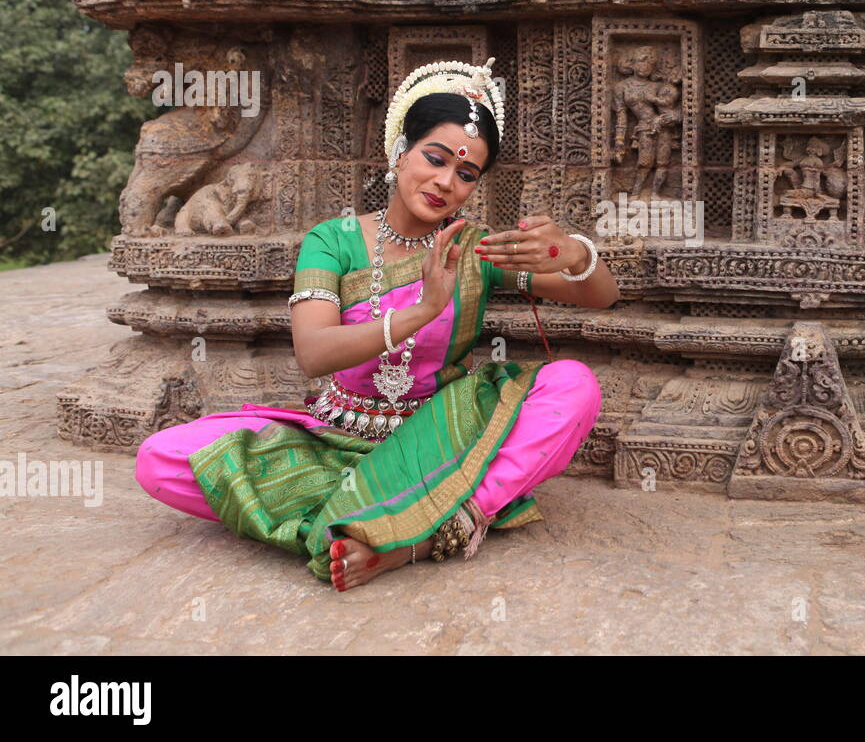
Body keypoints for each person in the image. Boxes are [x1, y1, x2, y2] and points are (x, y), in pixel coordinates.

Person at [135, 59, 620, 591]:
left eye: (465, 174)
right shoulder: (333, 239)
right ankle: (387, 516)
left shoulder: (473, 249)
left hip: (444, 434)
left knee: (574, 384)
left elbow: (601, 297)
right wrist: (420, 311)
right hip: (337, 437)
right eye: (434, 159)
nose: (445, 182)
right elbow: (314, 353)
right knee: (162, 459)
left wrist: (575, 254)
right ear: (399, 151)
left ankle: (421, 535)